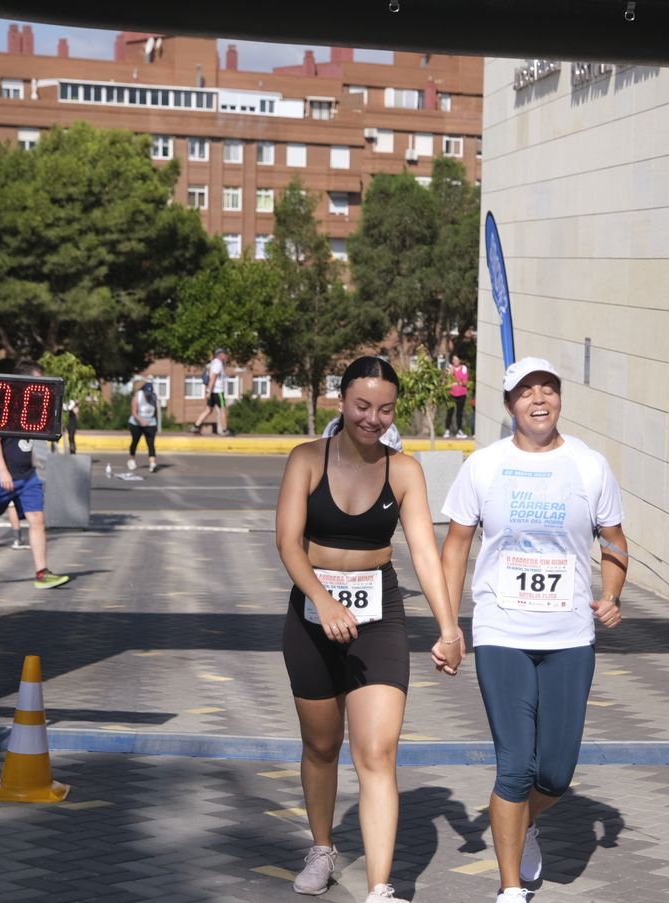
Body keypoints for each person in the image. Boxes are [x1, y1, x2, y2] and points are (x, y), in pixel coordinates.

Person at [275, 356, 465, 903]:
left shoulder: (403, 471)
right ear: (342, 402)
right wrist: (323, 599)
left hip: (379, 616)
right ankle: (322, 847)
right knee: (321, 743)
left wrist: (449, 625)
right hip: (312, 617)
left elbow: (426, 555)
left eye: (384, 409)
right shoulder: (306, 459)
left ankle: (381, 887)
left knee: (377, 751)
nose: (372, 418)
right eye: (362, 405)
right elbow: (288, 542)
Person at [440, 357, 628, 903]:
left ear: (560, 399)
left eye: (548, 389)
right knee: (516, 763)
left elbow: (614, 542)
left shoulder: (589, 465)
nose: (538, 399)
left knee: (557, 771)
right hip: (501, 630)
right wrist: (450, 623)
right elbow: (456, 547)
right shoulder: (484, 465)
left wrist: (611, 595)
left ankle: (519, 824)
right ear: (509, 405)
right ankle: (510, 887)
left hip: (569, 635)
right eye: (526, 392)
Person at [0, 362, 71, 591]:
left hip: (27, 477)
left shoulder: (34, 407)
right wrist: (3, 471)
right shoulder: (4, 405)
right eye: (39, 380)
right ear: (25, 381)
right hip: (0, 477)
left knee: (37, 520)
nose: (43, 385)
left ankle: (41, 572)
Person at [191, 349, 231, 435]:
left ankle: (196, 426)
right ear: (220, 355)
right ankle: (225, 430)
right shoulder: (218, 363)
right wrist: (209, 391)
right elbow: (213, 377)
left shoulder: (213, 363)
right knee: (223, 410)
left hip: (213, 391)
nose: (226, 356)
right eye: (225, 354)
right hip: (218, 391)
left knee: (208, 410)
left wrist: (209, 391)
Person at [128, 379, 159, 472]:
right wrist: (141, 420)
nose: (148, 395)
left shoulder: (154, 397)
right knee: (135, 441)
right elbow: (134, 412)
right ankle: (132, 460)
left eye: (149, 393)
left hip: (150, 423)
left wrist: (155, 423)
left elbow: (155, 411)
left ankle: (152, 463)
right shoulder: (138, 396)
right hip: (136, 423)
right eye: (146, 393)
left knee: (150, 443)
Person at [446, 353, 471, 438]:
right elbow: (448, 381)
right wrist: (453, 377)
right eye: (453, 360)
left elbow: (464, 382)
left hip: (461, 394)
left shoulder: (464, 369)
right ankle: (447, 430)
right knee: (449, 412)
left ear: (460, 360)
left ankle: (459, 430)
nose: (454, 361)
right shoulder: (450, 368)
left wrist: (455, 378)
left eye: (456, 359)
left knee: (459, 413)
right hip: (451, 394)